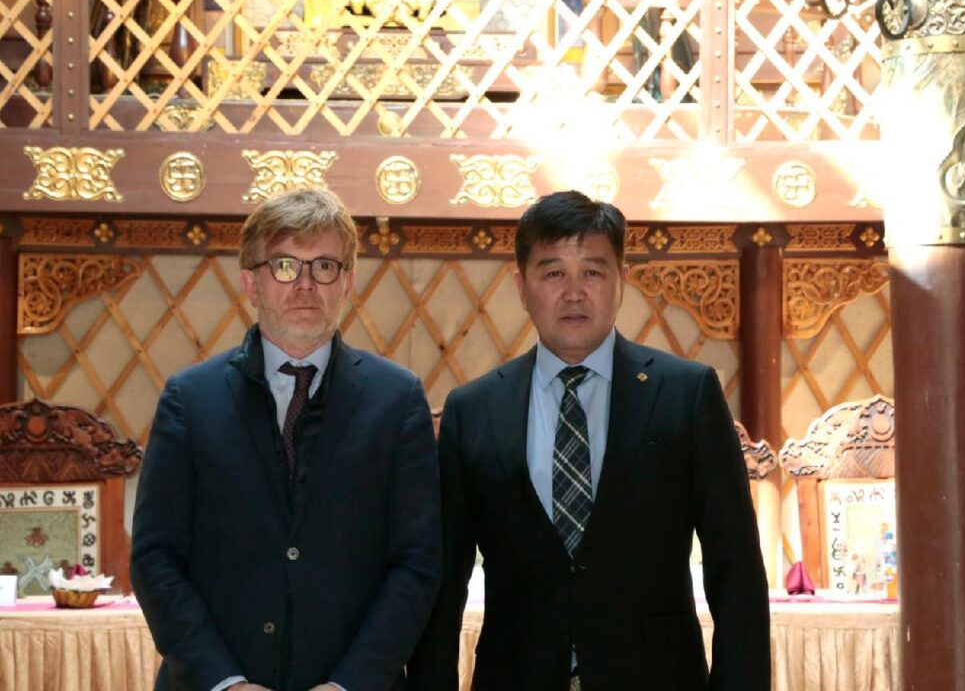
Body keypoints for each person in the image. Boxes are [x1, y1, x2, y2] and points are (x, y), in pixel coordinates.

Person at [408, 190, 770, 691]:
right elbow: (443, 584)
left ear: (622, 282)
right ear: (521, 286)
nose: (574, 293)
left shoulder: (685, 394)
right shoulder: (473, 411)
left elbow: (737, 572)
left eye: (593, 272)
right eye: (553, 273)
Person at [131, 187, 441, 691]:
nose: (305, 285)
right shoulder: (189, 400)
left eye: (324, 267)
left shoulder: (397, 400)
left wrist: (350, 684)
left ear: (348, 283)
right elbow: (155, 558)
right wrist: (225, 682)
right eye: (284, 266)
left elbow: (417, 562)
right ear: (250, 283)